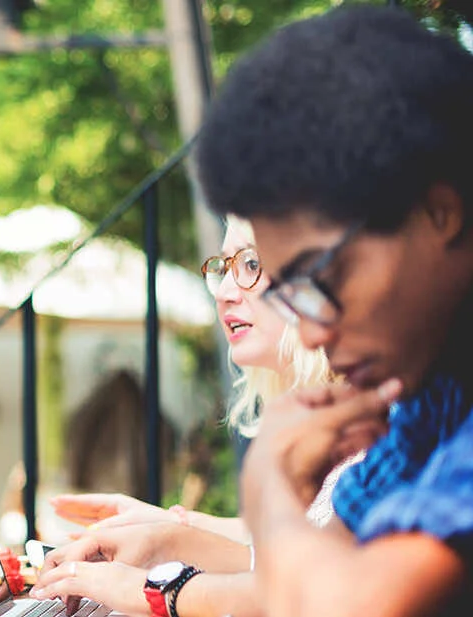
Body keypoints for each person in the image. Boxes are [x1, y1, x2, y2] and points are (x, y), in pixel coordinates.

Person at [184, 6, 473, 616]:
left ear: (439, 214)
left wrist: (268, 486)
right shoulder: (437, 394)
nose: (311, 330)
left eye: (321, 278)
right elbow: (325, 558)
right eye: (291, 291)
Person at [31, 219, 339, 616]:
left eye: (251, 263)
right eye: (225, 268)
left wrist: (157, 584)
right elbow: (286, 551)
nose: (226, 292)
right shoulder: (325, 417)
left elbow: (316, 587)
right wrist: (172, 530)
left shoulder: (396, 421)